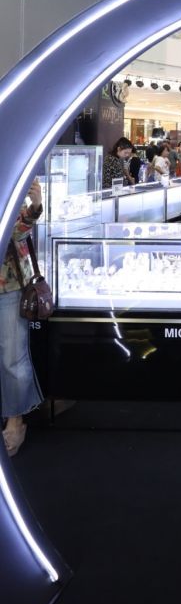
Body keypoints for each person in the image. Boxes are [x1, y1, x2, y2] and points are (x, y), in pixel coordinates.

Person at [1, 180, 44, 456]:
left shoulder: (9, 178)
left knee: (12, 358)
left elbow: (17, 230)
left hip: (9, 284)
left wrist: (35, 205)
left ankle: (15, 420)